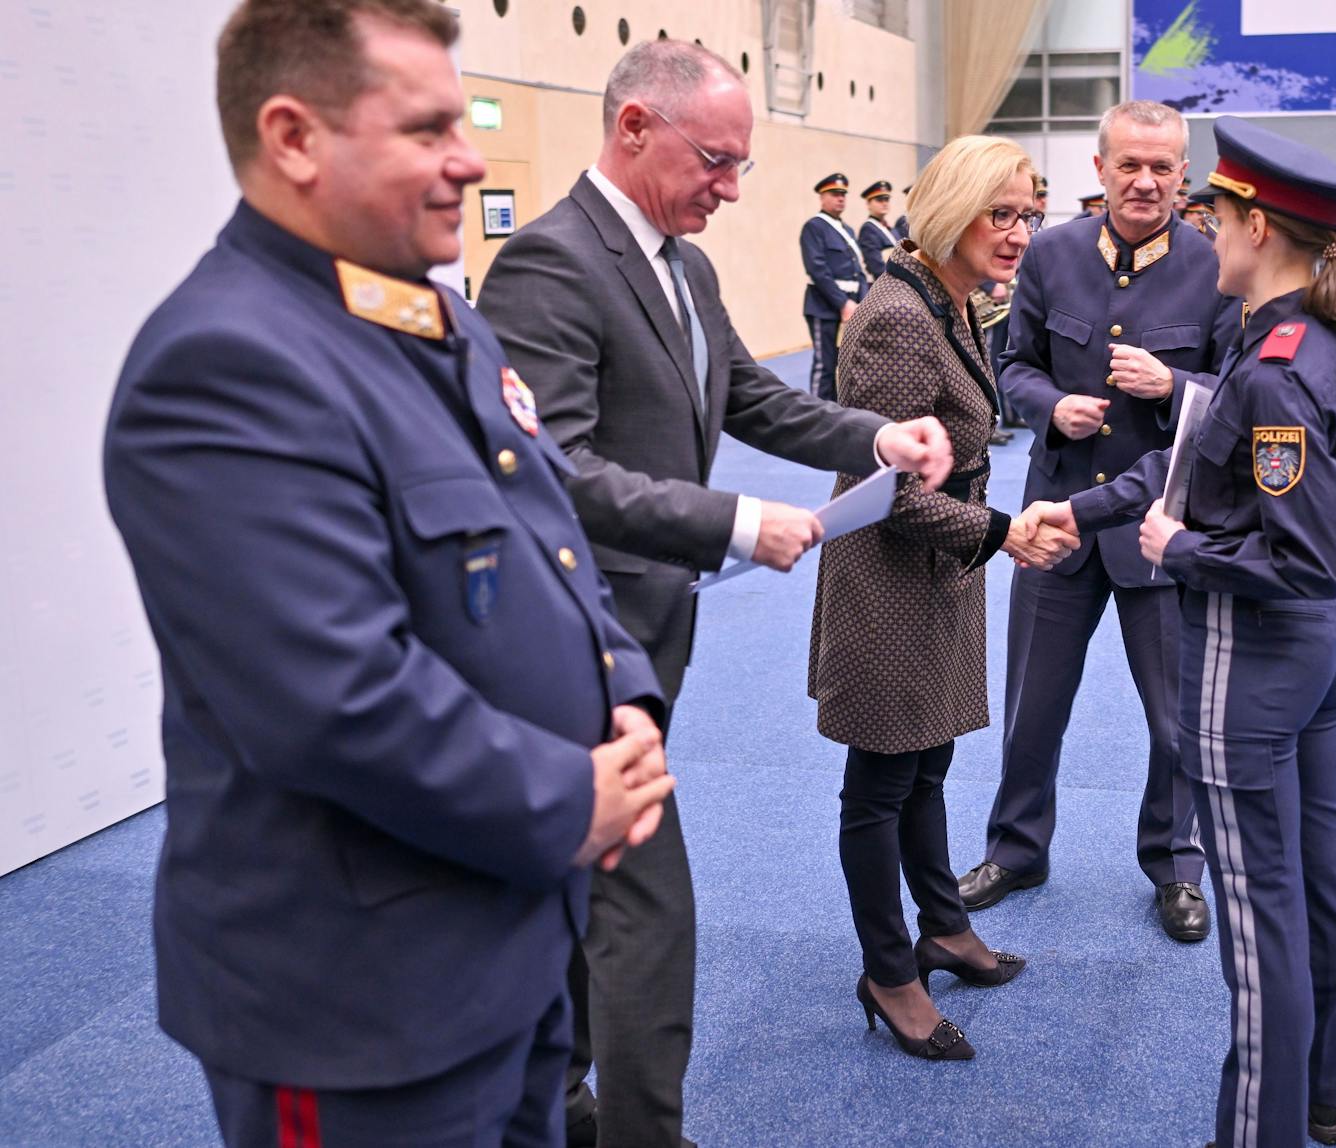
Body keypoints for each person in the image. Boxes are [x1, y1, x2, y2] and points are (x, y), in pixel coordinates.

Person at [101, 3, 675, 1145]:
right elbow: (331, 700)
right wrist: (575, 796)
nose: (466, 158)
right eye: (423, 130)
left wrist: (621, 691)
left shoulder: (428, 318)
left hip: (512, 927)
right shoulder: (226, 363)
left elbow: (544, 525)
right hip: (366, 994)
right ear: (294, 137)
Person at [476, 40, 952, 1148]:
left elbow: (749, 395)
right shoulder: (549, 264)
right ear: (633, 126)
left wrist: (872, 433)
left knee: (576, 893)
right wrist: (737, 521)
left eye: (741, 166)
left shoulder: (681, 264)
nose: (732, 190)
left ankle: (550, 1105)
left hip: (652, 635)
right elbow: (560, 469)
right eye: (716, 161)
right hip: (568, 643)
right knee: (649, 912)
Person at [1037, 114, 1336, 1148]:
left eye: (1217, 215)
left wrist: (1174, 551)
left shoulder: (1274, 368)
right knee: (1322, 876)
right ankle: (1322, 1095)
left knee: (1256, 913)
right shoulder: (1294, 340)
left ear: (1258, 228)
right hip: (1314, 652)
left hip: (1254, 648)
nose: (1205, 230)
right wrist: (1083, 512)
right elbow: (1189, 465)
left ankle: (1254, 1130)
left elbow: (1295, 557)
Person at [807, 134, 1077, 1061]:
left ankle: (944, 928)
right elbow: (887, 491)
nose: (1018, 233)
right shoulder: (896, 315)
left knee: (928, 767)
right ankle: (889, 971)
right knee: (881, 783)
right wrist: (1001, 532)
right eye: (999, 213)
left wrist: (990, 525)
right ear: (953, 209)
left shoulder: (952, 298)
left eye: (1028, 214)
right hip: (890, 584)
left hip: (938, 577)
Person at [958, 101, 1240, 944]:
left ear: (1184, 174)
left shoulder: (1214, 265)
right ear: (1100, 168)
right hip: (1056, 520)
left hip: (1158, 527)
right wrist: (1052, 408)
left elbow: (1239, 394)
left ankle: (1175, 864)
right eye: (1129, 165)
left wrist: (1174, 388)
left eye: (1163, 167)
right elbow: (1013, 366)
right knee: (1031, 707)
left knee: (1174, 716)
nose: (1146, 181)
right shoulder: (1049, 254)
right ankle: (1016, 849)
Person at [801, 172, 870, 399]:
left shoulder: (848, 231)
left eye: (843, 194)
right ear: (822, 197)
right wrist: (843, 304)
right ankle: (815, 416)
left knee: (846, 364)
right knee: (825, 365)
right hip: (825, 306)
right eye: (834, 194)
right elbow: (817, 270)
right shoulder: (814, 227)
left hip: (852, 306)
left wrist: (861, 301)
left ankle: (836, 413)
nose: (840, 198)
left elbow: (859, 270)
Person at [857, 179, 902, 278]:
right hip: (886, 283)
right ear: (868, 204)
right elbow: (876, 266)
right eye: (879, 200)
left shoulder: (892, 229)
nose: (884, 203)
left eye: (886, 199)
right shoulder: (868, 229)